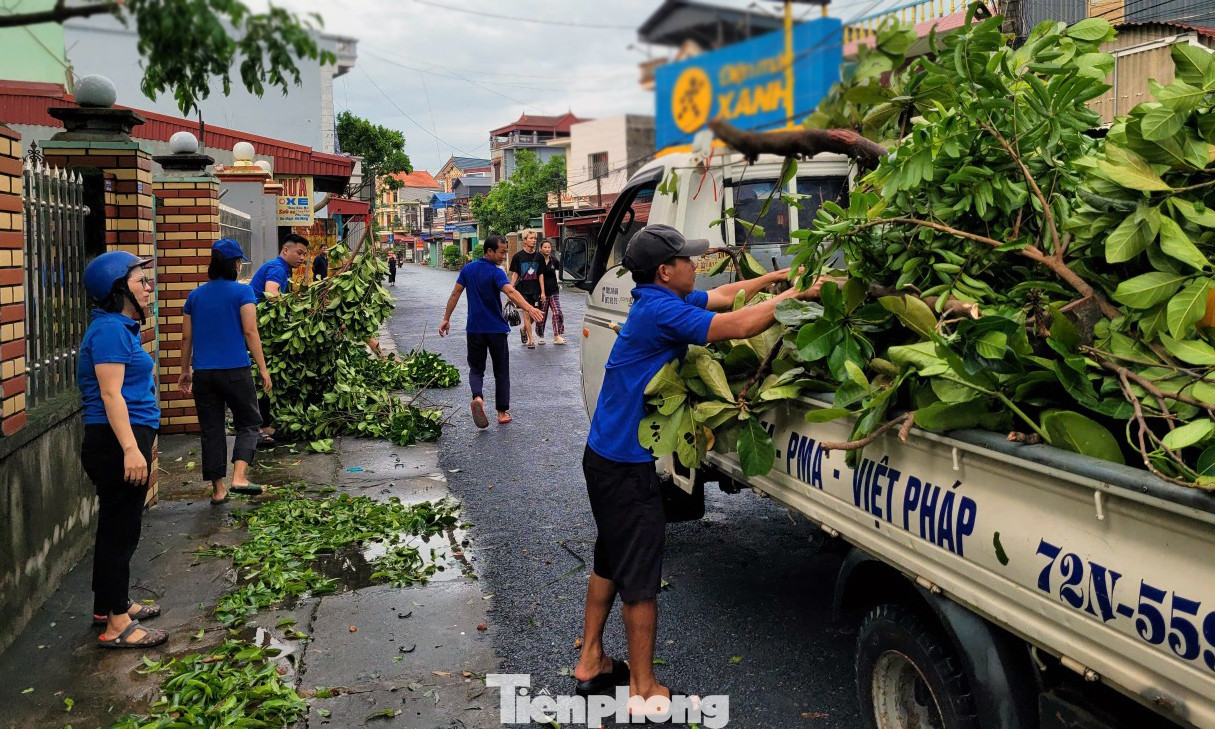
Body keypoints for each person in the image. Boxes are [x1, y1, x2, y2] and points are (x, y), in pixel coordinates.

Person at [572, 224, 825, 712]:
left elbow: (727, 297)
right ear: (666, 272)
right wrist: (801, 293)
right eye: (688, 259)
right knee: (641, 577)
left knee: (611, 558)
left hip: (605, 458)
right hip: (624, 466)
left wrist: (775, 279)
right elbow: (741, 326)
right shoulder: (661, 312)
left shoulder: (656, 302)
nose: (697, 264)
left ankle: (591, 661)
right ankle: (644, 690)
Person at [78, 251, 167, 649]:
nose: (149, 288)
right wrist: (132, 450)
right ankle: (116, 626)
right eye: (140, 282)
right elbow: (111, 395)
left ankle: (111, 605)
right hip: (118, 441)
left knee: (116, 527)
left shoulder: (118, 327)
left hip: (122, 438)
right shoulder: (112, 330)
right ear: (118, 290)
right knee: (121, 532)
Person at [178, 239, 273, 503]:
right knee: (249, 422)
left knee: (211, 429)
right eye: (239, 261)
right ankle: (239, 477)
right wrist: (263, 369)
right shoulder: (242, 293)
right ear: (234, 264)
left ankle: (219, 490)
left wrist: (184, 370)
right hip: (235, 370)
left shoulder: (194, 296)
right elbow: (250, 331)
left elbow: (186, 338)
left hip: (204, 374)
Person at [438, 235, 542, 427]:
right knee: (501, 371)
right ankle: (502, 413)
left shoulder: (468, 269)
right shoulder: (496, 272)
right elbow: (510, 292)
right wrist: (530, 308)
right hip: (496, 329)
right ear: (490, 251)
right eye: (502, 252)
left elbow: (455, 293)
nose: (504, 256)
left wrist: (446, 318)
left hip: (475, 329)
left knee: (476, 369)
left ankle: (478, 398)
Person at [249, 233, 309, 446]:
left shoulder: (279, 267)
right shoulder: (277, 268)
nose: (302, 258)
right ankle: (259, 427)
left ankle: (263, 424)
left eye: (305, 254)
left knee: (267, 374)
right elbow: (272, 295)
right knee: (265, 375)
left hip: (261, 325)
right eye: (299, 253)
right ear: (286, 250)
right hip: (260, 327)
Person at [508, 229, 542, 348]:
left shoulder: (539, 256)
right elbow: (515, 275)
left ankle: (524, 329)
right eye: (531, 238)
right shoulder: (518, 256)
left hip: (535, 289)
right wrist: (510, 290)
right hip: (522, 289)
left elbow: (541, 274)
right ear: (525, 240)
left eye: (535, 239)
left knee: (535, 314)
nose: (534, 241)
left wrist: (543, 291)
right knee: (527, 313)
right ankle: (531, 340)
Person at [536, 239, 565, 345]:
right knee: (541, 315)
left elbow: (562, 270)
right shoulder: (537, 260)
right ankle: (541, 335)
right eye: (545, 247)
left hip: (554, 291)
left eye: (549, 247)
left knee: (557, 312)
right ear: (541, 248)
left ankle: (557, 336)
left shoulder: (554, 260)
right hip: (541, 293)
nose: (547, 249)